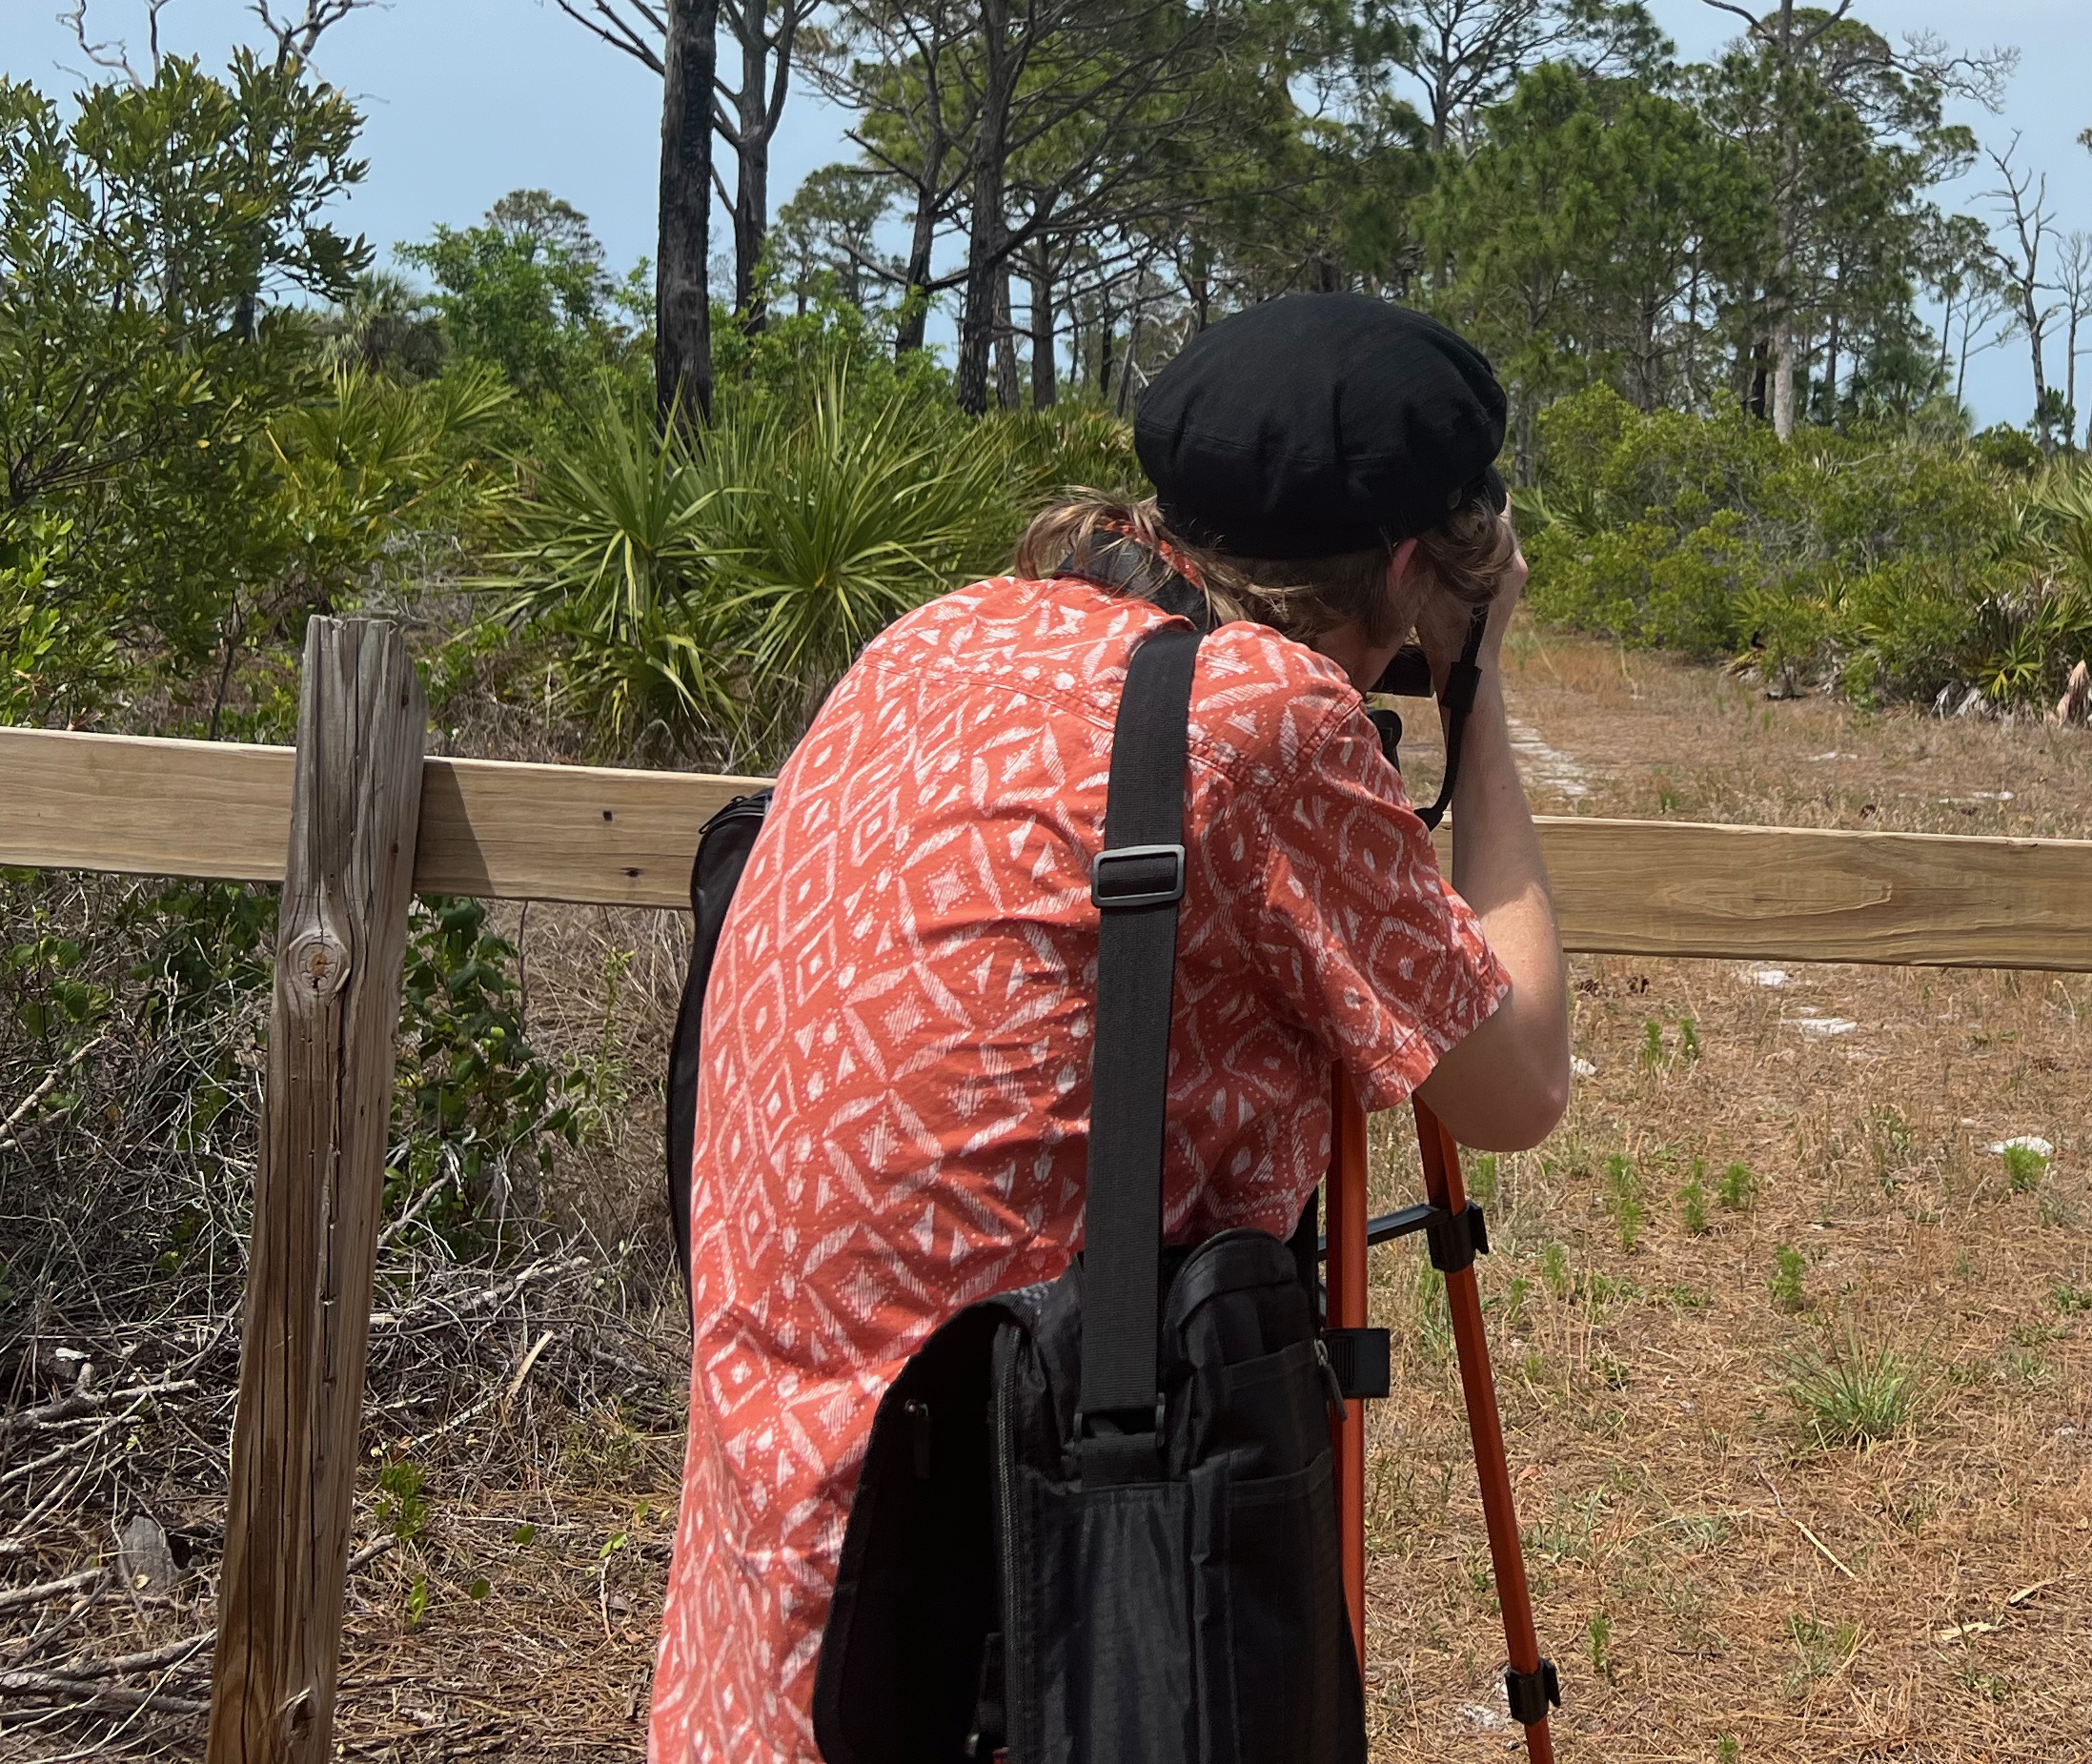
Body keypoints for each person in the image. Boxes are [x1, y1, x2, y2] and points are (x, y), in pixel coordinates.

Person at [650, 294, 1572, 1763]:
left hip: (773, 1586)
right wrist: (1482, 690)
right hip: (1020, 1616)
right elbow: (1518, 1085)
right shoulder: (1259, 718)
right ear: (1410, 565)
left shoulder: (939, 639)